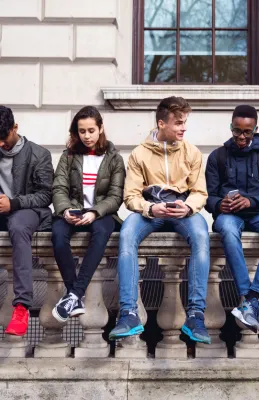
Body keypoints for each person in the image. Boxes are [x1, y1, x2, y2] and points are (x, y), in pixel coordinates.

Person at [109, 96, 211, 344]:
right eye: (178, 123)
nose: (183, 128)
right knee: (127, 235)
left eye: (185, 122)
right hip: (149, 211)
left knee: (201, 235)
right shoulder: (139, 154)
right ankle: (129, 313)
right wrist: (150, 209)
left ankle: (196, 315)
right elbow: (130, 196)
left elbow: (200, 192)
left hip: (182, 210)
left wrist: (186, 207)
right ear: (161, 123)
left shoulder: (192, 152)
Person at [205, 105, 259, 332]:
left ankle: (253, 297)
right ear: (231, 128)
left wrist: (252, 202)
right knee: (229, 232)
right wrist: (219, 204)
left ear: (255, 130)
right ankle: (246, 297)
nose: (241, 137)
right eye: (237, 131)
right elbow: (206, 197)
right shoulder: (217, 157)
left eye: (247, 132)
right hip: (228, 215)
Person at [51, 106, 125, 322]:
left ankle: (74, 294)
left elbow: (115, 196)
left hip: (101, 215)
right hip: (73, 211)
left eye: (91, 130)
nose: (87, 136)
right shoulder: (69, 156)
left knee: (101, 233)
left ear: (100, 128)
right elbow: (59, 188)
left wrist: (94, 212)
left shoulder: (114, 158)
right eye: (82, 131)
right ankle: (74, 293)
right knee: (57, 234)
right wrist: (65, 211)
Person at [0, 105, 53, 336]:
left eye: (4, 138)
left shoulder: (39, 154)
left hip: (28, 211)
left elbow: (45, 195)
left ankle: (21, 307)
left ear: (15, 128)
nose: (1, 144)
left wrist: (13, 203)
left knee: (19, 226)